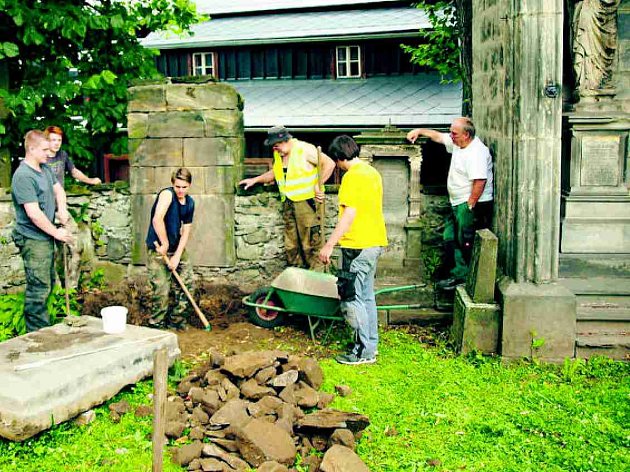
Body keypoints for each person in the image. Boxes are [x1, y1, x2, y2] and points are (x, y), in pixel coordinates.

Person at [319, 135, 388, 365]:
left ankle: (362, 352)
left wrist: (329, 244)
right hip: (374, 242)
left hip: (357, 246)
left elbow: (349, 215)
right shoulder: (372, 173)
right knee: (366, 296)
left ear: (339, 158)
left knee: (353, 297)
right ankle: (371, 346)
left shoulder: (352, 178)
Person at [407, 117, 493, 290]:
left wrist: (469, 205)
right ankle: (453, 272)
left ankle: (462, 277)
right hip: (457, 202)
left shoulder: (476, 152)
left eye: (454, 133)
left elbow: (480, 181)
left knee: (464, 239)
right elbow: (439, 137)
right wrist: (419, 131)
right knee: (449, 236)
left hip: (470, 204)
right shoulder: (458, 143)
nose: (451, 136)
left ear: (466, 134)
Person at [239, 125, 335, 270]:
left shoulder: (305, 149)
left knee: (310, 243)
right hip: (288, 203)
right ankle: (297, 278)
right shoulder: (279, 154)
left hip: (307, 203)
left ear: (284, 140)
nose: (274, 149)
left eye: (276, 145)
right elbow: (276, 173)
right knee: (292, 245)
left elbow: (329, 164)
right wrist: (256, 180)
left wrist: (318, 184)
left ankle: (317, 279)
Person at [11, 130, 73, 332]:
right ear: (31, 149)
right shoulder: (23, 176)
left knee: (49, 282)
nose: (49, 153)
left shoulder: (44, 169)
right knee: (39, 288)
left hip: (45, 236)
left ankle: (44, 330)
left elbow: (58, 190)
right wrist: (57, 233)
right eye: (45, 149)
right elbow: (34, 214)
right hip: (32, 238)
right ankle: (37, 338)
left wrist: (62, 209)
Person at [44, 125, 101, 289]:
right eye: (53, 140)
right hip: (44, 211)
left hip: (61, 209)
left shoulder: (62, 155)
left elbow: (74, 171)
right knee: (51, 253)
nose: (56, 143)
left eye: (59, 140)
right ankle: (56, 290)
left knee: (76, 245)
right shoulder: (40, 158)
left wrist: (90, 180)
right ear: (46, 141)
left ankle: (72, 286)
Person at [145, 168, 195, 330]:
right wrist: (165, 244)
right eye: (177, 187)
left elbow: (186, 231)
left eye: (184, 187)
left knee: (187, 284)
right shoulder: (166, 195)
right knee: (161, 289)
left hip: (176, 246)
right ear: (172, 184)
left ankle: (176, 321)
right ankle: (157, 325)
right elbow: (157, 219)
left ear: (190, 185)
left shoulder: (190, 203)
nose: (180, 191)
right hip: (158, 248)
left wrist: (177, 255)